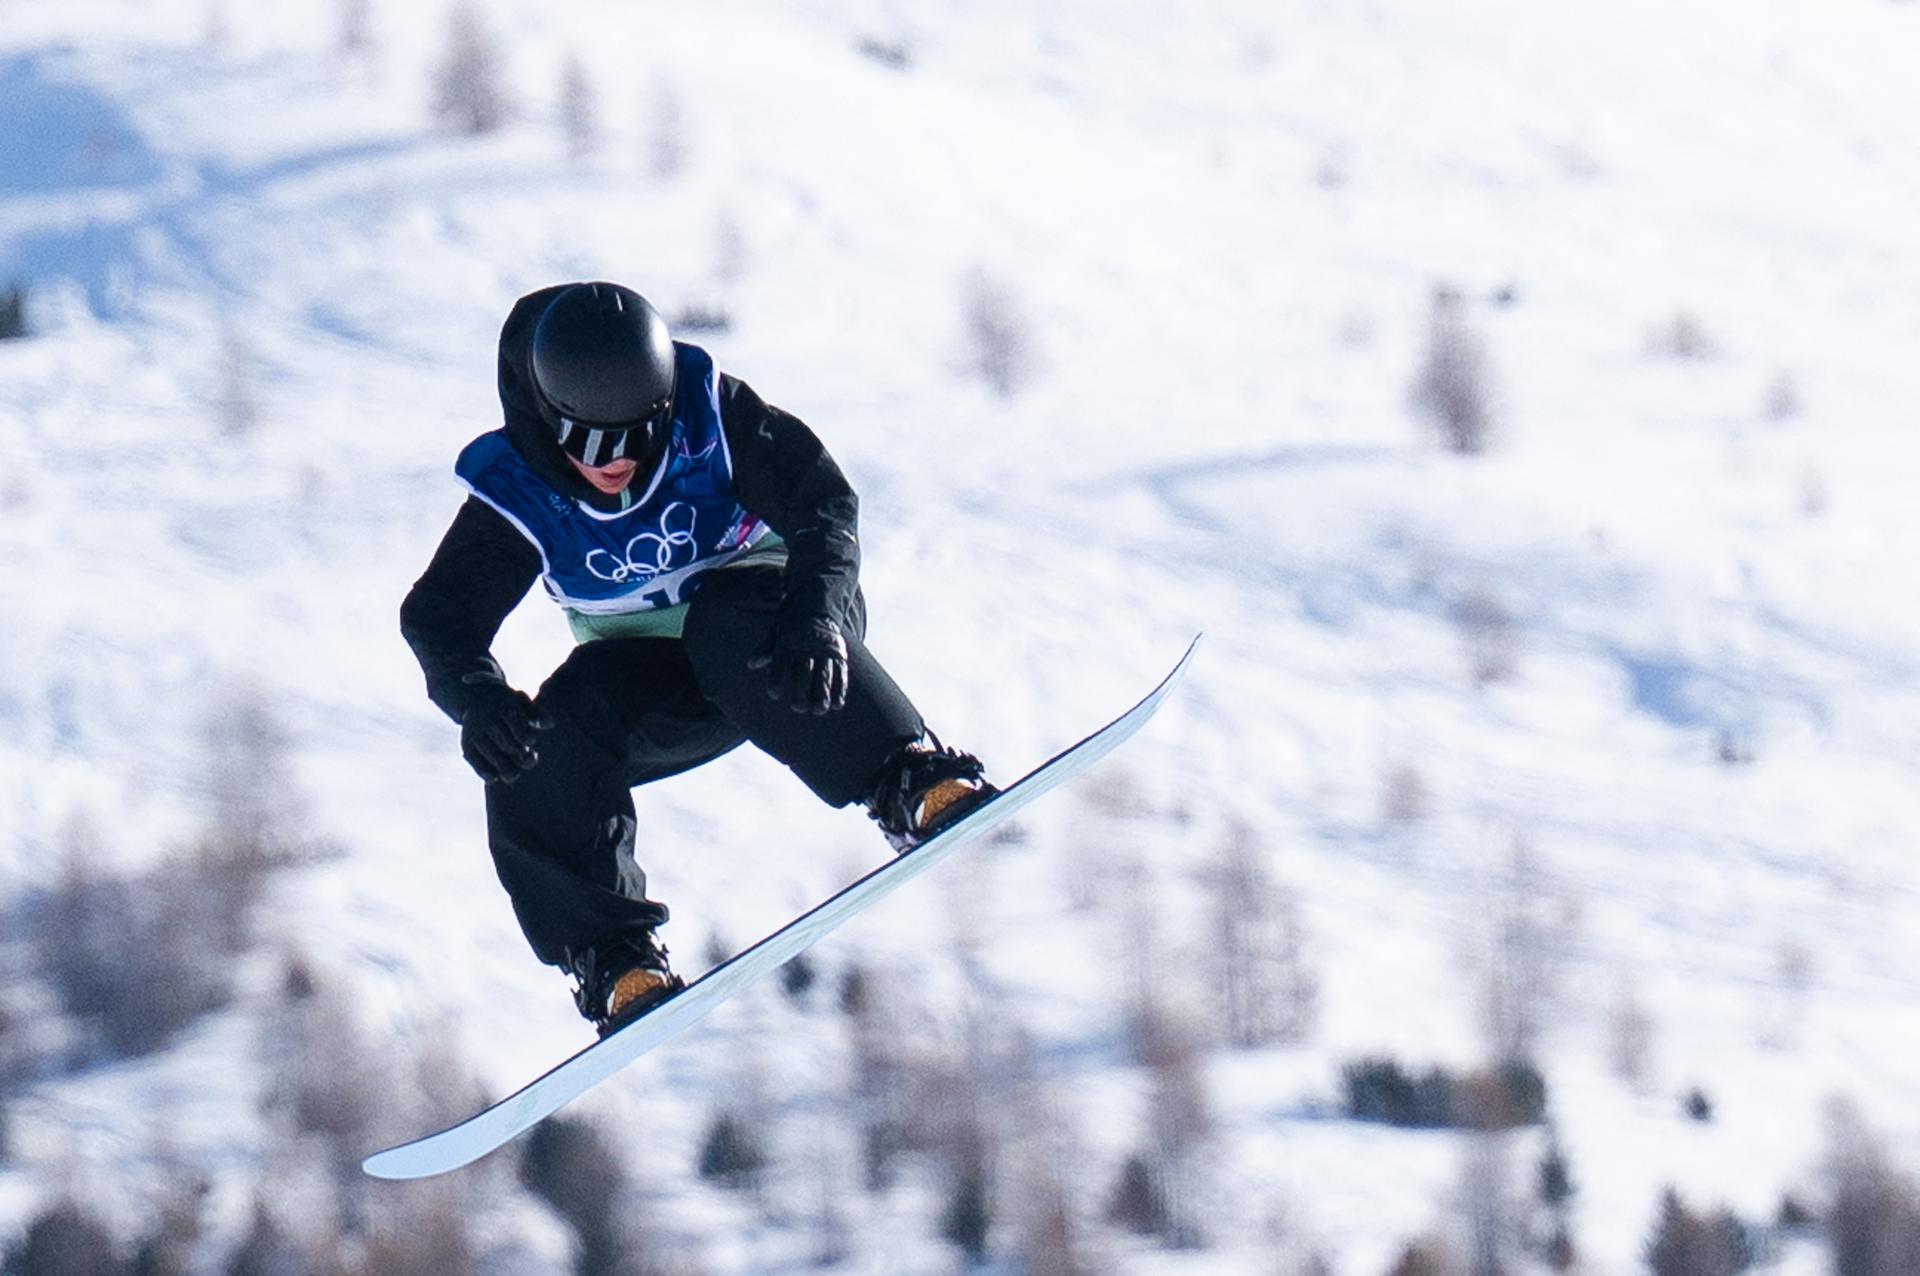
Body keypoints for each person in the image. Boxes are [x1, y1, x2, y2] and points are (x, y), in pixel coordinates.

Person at [400, 282, 994, 1036]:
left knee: (727, 620)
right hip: (663, 686)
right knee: (544, 734)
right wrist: (477, 700)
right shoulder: (520, 493)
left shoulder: (712, 420)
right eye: (587, 443)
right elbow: (440, 617)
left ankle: (905, 774)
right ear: (547, 423)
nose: (613, 465)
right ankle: (612, 956)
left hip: (785, 642)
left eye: (633, 438)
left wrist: (815, 618)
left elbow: (825, 506)